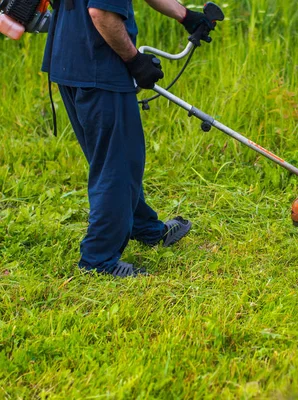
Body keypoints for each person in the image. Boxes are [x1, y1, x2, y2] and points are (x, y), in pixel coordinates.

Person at [42, 0, 216, 277]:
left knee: (117, 159)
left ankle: (144, 227)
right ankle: (99, 260)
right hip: (99, 70)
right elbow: (102, 12)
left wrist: (185, 15)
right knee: (117, 167)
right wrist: (135, 60)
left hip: (70, 63)